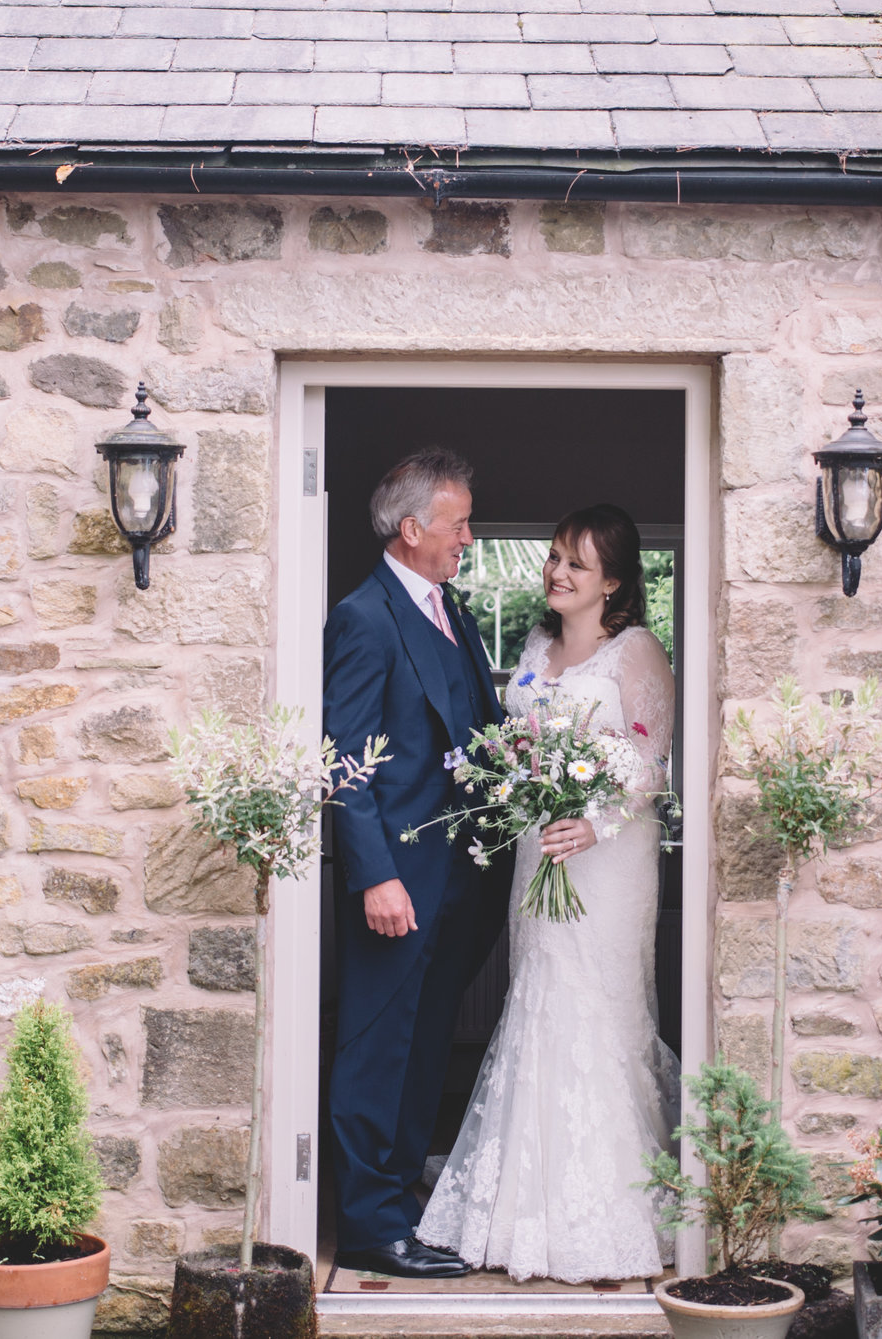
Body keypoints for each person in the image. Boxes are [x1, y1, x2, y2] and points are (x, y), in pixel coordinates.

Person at [416, 503, 679, 1284]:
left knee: (598, 1008)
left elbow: (651, 765)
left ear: (616, 583)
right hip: (538, 852)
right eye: (555, 556)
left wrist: (592, 824)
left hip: (605, 860)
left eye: (576, 563)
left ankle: (608, 1211)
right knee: (536, 998)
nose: (556, 571)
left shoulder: (637, 652)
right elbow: (517, 744)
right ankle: (522, 1206)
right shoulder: (534, 646)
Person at [323, 448, 509, 1280]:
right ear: (411, 529)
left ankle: (402, 1203)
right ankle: (369, 1224)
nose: (468, 535)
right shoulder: (364, 618)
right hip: (397, 883)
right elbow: (343, 760)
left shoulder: (453, 610)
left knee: (425, 1045)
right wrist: (375, 875)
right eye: (458, 521)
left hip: (459, 880)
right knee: (379, 1047)